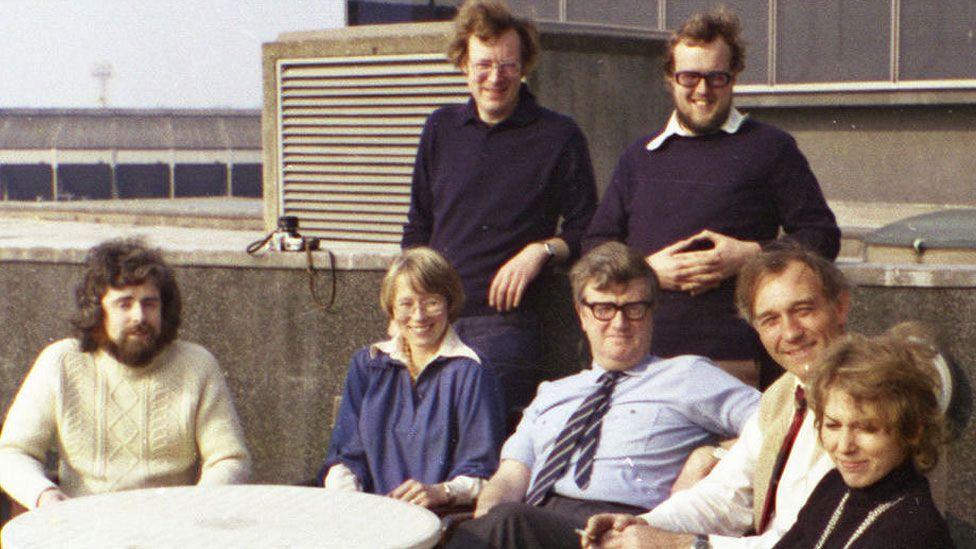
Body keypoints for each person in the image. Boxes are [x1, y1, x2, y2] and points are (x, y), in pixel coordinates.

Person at [582, 7, 839, 389]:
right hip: (645, 357)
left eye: (716, 77)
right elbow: (594, 244)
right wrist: (646, 271)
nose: (702, 90)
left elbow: (822, 236)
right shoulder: (640, 157)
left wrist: (751, 255)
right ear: (670, 79)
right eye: (689, 77)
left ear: (733, 77)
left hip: (734, 358)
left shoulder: (771, 148)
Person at [444, 241, 759, 548]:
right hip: (531, 523)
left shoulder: (687, 375)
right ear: (582, 315)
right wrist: (483, 522)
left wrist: (713, 454)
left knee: (509, 522)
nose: (619, 323)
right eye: (604, 308)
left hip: (619, 530)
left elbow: (779, 419)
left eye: (633, 308)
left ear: (651, 312)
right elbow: (510, 477)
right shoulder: (552, 393)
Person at [584, 241, 850, 548]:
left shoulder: (865, 398)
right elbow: (725, 496)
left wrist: (682, 545)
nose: (790, 332)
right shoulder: (783, 395)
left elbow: (802, 541)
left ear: (841, 306)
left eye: (803, 310)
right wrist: (639, 525)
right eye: (770, 320)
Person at [401, 0, 598, 412]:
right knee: (382, 406)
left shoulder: (558, 136)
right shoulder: (440, 128)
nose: (496, 77)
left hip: (503, 323)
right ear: (463, 66)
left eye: (508, 65)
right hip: (431, 315)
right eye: (483, 65)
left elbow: (590, 228)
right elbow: (417, 229)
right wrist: (402, 307)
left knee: (468, 417)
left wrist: (541, 251)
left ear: (524, 66)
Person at [0, 238, 251, 510]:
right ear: (98, 310)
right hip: (85, 528)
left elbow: (230, 459)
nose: (139, 316)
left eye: (149, 303)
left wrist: (196, 507)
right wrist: (45, 496)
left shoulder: (197, 365)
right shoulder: (60, 362)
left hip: (173, 527)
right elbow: (12, 452)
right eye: (124, 304)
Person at [319, 247, 505, 509]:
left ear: (449, 303)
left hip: (437, 519)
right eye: (406, 303)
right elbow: (345, 458)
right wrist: (354, 508)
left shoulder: (471, 371)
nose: (419, 316)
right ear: (392, 309)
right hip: (366, 514)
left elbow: (482, 474)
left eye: (431, 302)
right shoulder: (368, 364)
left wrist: (441, 491)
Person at [773, 323, 954, 548]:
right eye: (833, 425)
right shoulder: (833, 486)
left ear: (912, 431)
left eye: (866, 428)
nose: (844, 446)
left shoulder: (914, 530)